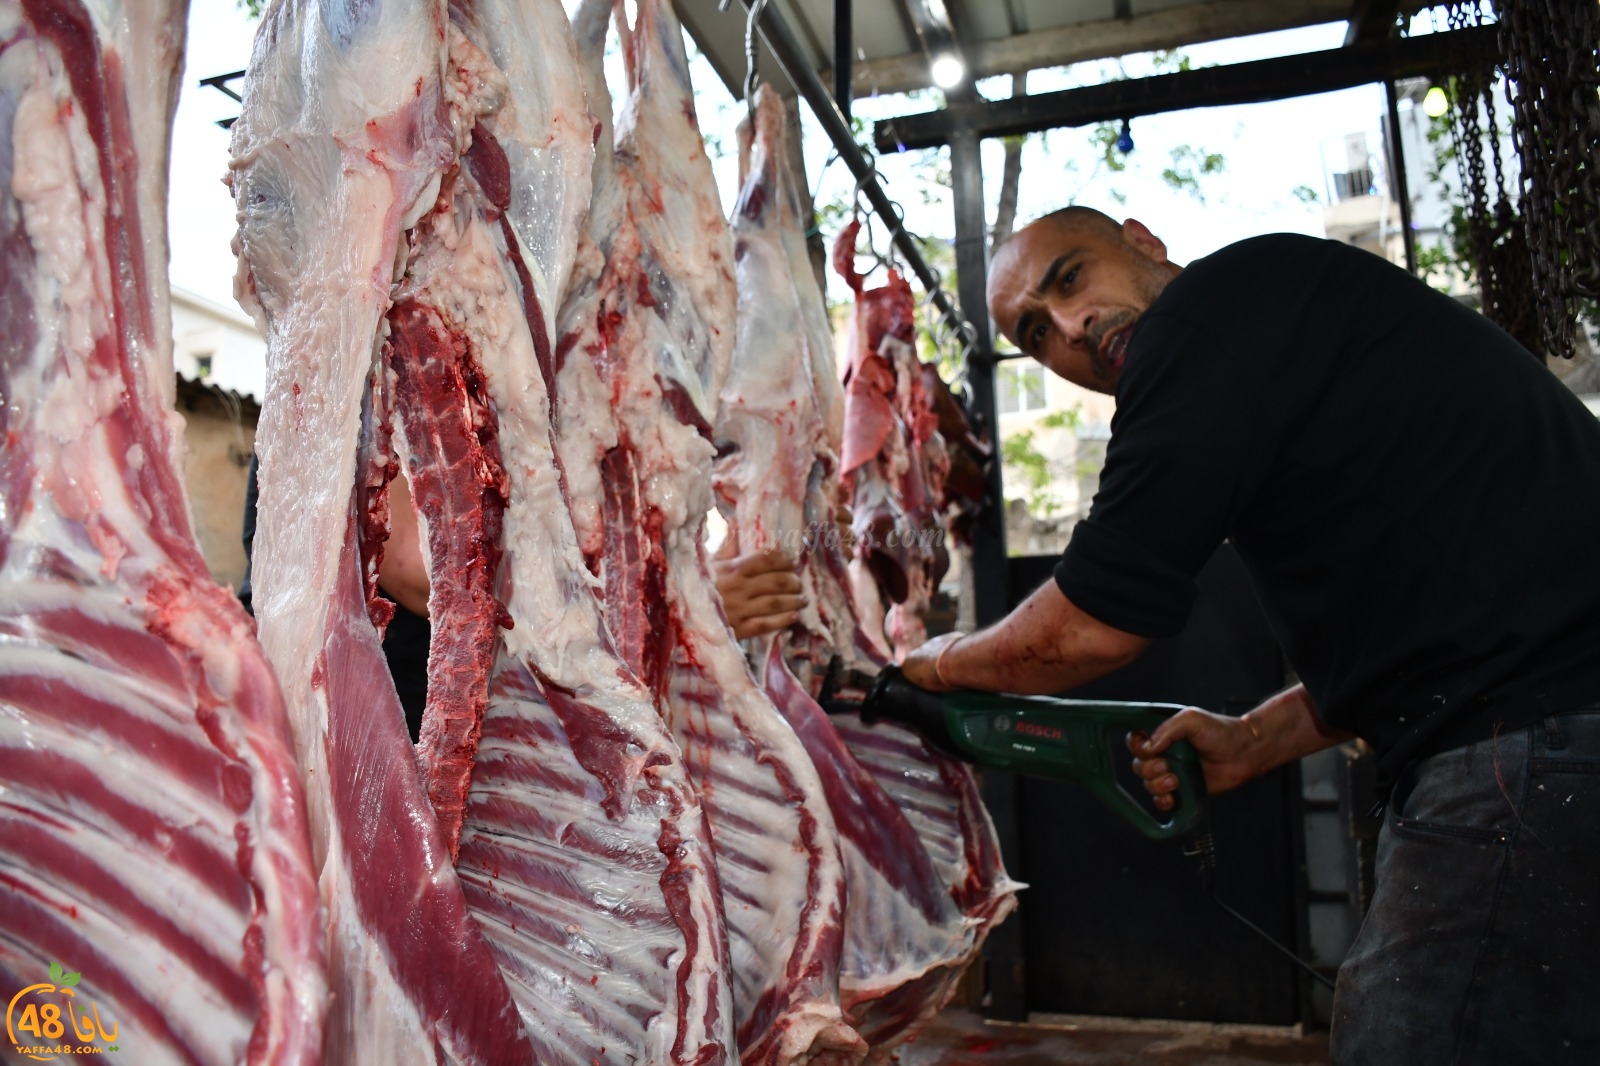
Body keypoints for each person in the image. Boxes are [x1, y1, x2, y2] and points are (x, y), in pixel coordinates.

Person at [901, 206, 1600, 1064]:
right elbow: (1433, 631)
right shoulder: (1269, 348)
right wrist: (1255, 739)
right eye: (1038, 333)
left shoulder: (1209, 314)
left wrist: (932, 665)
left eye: (1073, 278)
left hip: (1537, 736)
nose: (1074, 328)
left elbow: (1089, 625)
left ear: (1142, 241)